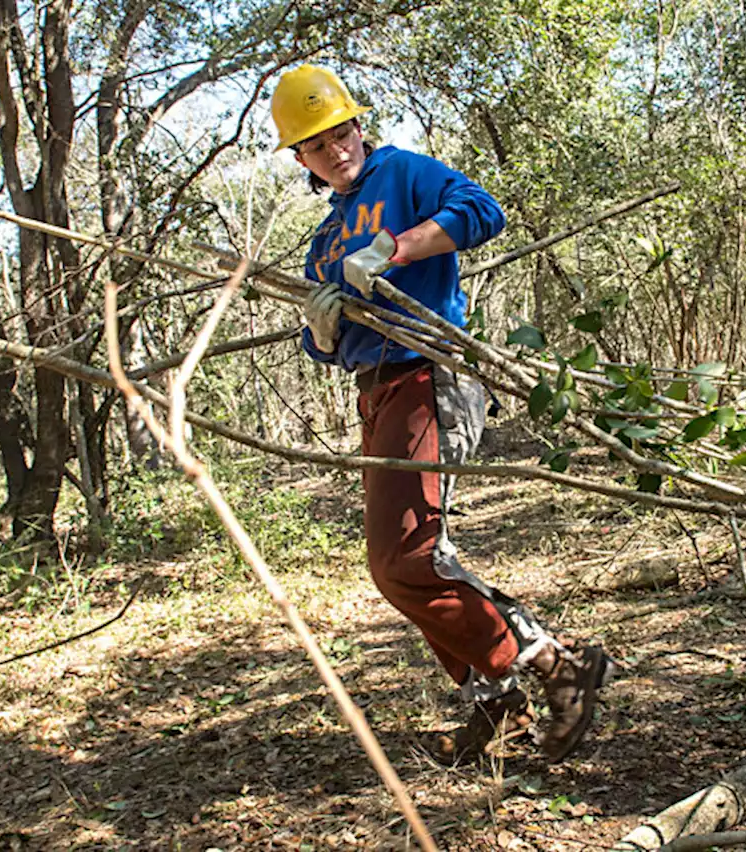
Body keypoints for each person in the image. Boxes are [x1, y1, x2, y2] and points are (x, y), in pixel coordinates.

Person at [270, 65, 612, 763]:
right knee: (403, 561)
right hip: (375, 388)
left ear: (359, 127)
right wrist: (323, 330)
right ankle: (499, 697)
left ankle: (552, 667)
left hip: (429, 371)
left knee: (407, 559)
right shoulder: (325, 241)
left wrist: (398, 247)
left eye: (342, 132)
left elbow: (483, 212)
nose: (336, 149)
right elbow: (320, 344)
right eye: (317, 144)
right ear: (300, 158)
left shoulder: (403, 174)